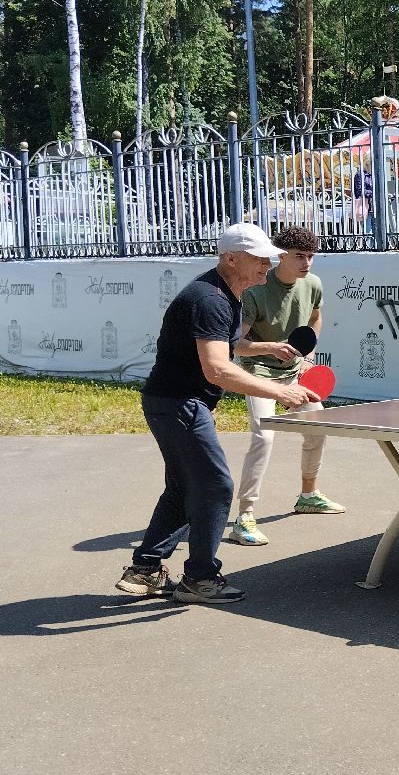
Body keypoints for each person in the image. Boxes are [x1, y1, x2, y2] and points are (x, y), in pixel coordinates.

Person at [116, 224, 321, 604]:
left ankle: (145, 570)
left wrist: (269, 347)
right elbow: (218, 369)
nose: (267, 264)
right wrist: (281, 390)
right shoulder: (209, 298)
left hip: (172, 403)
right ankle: (200, 578)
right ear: (230, 259)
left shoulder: (227, 294)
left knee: (184, 486)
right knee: (214, 486)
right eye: (259, 259)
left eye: (268, 257)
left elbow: (228, 350)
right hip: (180, 405)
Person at [228, 225, 345, 547]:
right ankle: (245, 516)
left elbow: (315, 319)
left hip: (295, 372)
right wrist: (271, 347)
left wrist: (309, 355)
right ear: (281, 256)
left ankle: (308, 495)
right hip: (260, 374)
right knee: (263, 437)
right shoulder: (256, 291)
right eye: (299, 256)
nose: (307, 263)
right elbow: (235, 345)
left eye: (310, 256)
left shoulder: (313, 284)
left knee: (317, 427)